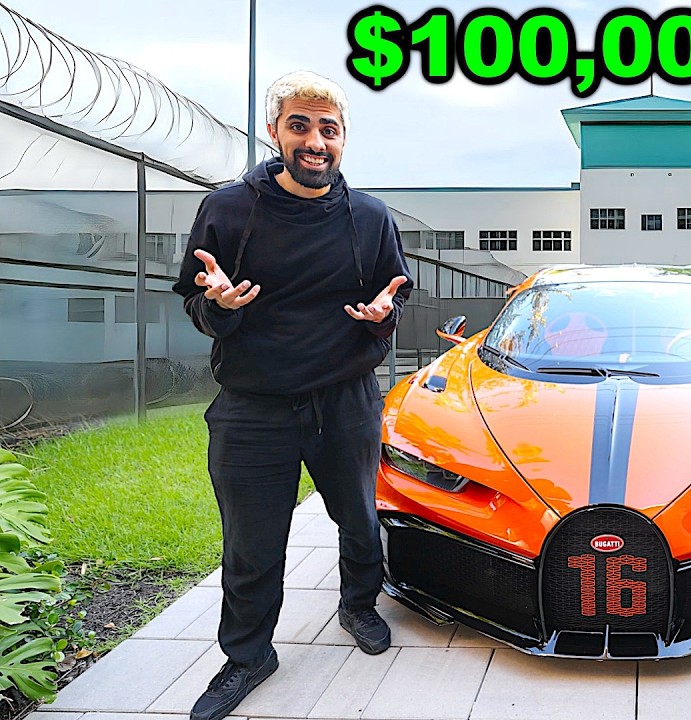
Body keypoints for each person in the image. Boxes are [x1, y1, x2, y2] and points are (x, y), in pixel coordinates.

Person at [173, 70, 413, 720]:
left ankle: (358, 606)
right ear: (275, 131)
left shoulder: (370, 217)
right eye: (299, 125)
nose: (315, 141)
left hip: (345, 400)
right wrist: (219, 306)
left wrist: (381, 318)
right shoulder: (228, 209)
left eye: (328, 129)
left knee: (360, 520)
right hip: (253, 406)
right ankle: (249, 656)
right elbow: (196, 300)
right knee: (251, 544)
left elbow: (392, 297)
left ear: (343, 139)